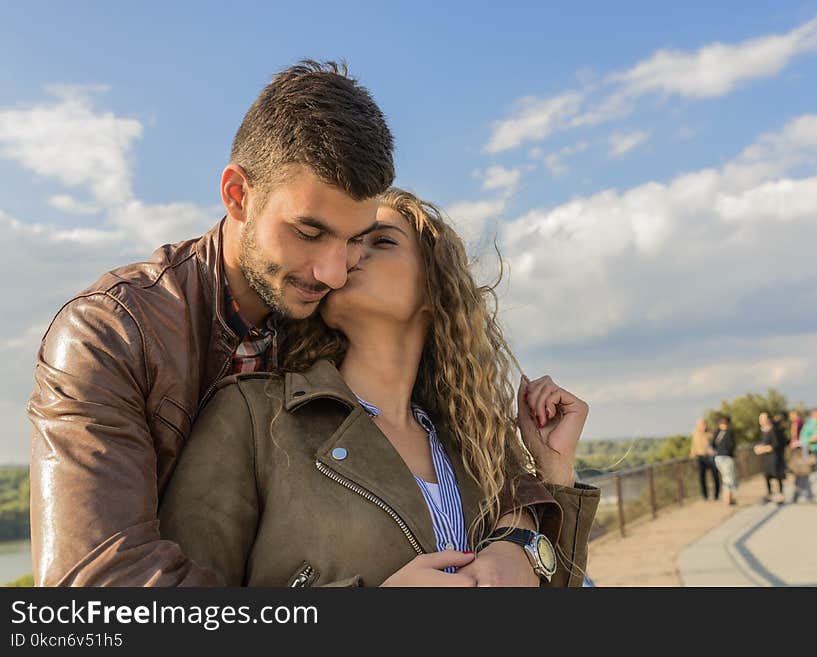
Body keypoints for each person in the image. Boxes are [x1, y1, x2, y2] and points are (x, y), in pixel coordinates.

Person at [26, 61, 556, 586]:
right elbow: (96, 591)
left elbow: (486, 463)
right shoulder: (108, 333)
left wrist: (524, 535)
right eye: (308, 231)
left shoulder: (327, 335)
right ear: (237, 195)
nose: (334, 270)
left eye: (356, 238)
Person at [159, 189, 600, 586]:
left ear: (435, 290)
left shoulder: (473, 446)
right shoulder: (252, 416)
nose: (349, 256)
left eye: (381, 241)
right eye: (350, 242)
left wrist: (554, 471)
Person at [755, 412, 786, 504]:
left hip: (774, 457)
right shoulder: (763, 431)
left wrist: (763, 449)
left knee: (777, 475)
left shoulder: (774, 430)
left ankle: (780, 495)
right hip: (766, 458)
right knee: (767, 476)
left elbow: (776, 445)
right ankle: (769, 494)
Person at [690, 418, 719, 501]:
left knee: (715, 476)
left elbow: (715, 444)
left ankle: (716, 495)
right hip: (700, 457)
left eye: (703, 424)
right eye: (700, 424)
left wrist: (713, 451)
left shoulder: (710, 432)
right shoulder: (695, 433)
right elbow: (693, 444)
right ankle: (705, 496)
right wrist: (692, 452)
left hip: (710, 457)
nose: (702, 426)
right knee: (702, 477)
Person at [712, 416, 737, 506]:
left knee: (725, 478)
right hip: (727, 458)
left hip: (718, 458)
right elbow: (732, 445)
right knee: (729, 479)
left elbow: (712, 444)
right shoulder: (729, 433)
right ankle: (728, 500)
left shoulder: (717, 432)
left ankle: (727, 499)